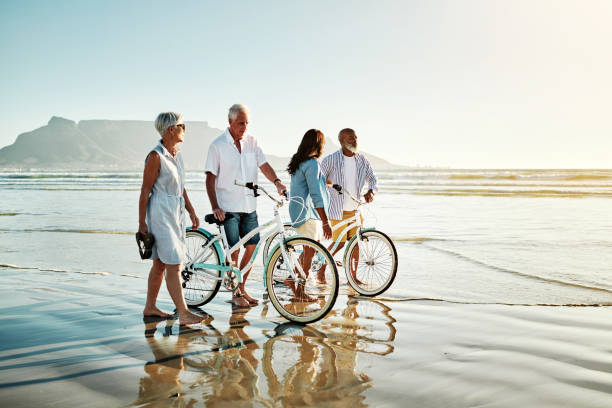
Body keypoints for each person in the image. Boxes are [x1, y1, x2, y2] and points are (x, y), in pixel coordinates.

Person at [204, 104, 287, 307]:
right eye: (241, 123)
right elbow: (209, 178)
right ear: (230, 122)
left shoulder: (252, 142)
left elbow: (264, 165)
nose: (244, 127)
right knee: (234, 251)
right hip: (228, 206)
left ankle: (241, 288)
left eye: (247, 123)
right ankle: (235, 293)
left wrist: (277, 182)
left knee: (252, 247)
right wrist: (215, 206)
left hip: (250, 205)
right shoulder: (217, 145)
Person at [138, 112, 204, 326]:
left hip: (176, 210)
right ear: (170, 130)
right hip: (160, 211)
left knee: (159, 263)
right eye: (182, 125)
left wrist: (192, 211)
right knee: (174, 263)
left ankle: (150, 306)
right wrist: (141, 223)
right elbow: (145, 190)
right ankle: (184, 313)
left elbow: (181, 187)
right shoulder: (155, 156)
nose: (185, 129)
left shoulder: (176, 154)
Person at [320, 128, 378, 282]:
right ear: (341, 141)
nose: (355, 140)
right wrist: (328, 184)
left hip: (356, 211)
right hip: (338, 210)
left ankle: (353, 277)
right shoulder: (331, 160)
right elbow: (318, 180)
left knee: (355, 245)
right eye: (351, 138)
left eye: (355, 137)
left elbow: (372, 179)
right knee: (338, 243)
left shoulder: (362, 160)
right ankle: (321, 269)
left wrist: (371, 191)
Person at [286, 129, 332, 300]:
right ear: (318, 145)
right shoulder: (312, 164)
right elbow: (315, 194)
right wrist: (325, 221)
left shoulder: (300, 162)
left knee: (310, 249)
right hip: (308, 212)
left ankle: (292, 279)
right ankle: (299, 291)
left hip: (300, 209)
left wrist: (323, 183)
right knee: (310, 249)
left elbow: (305, 186)